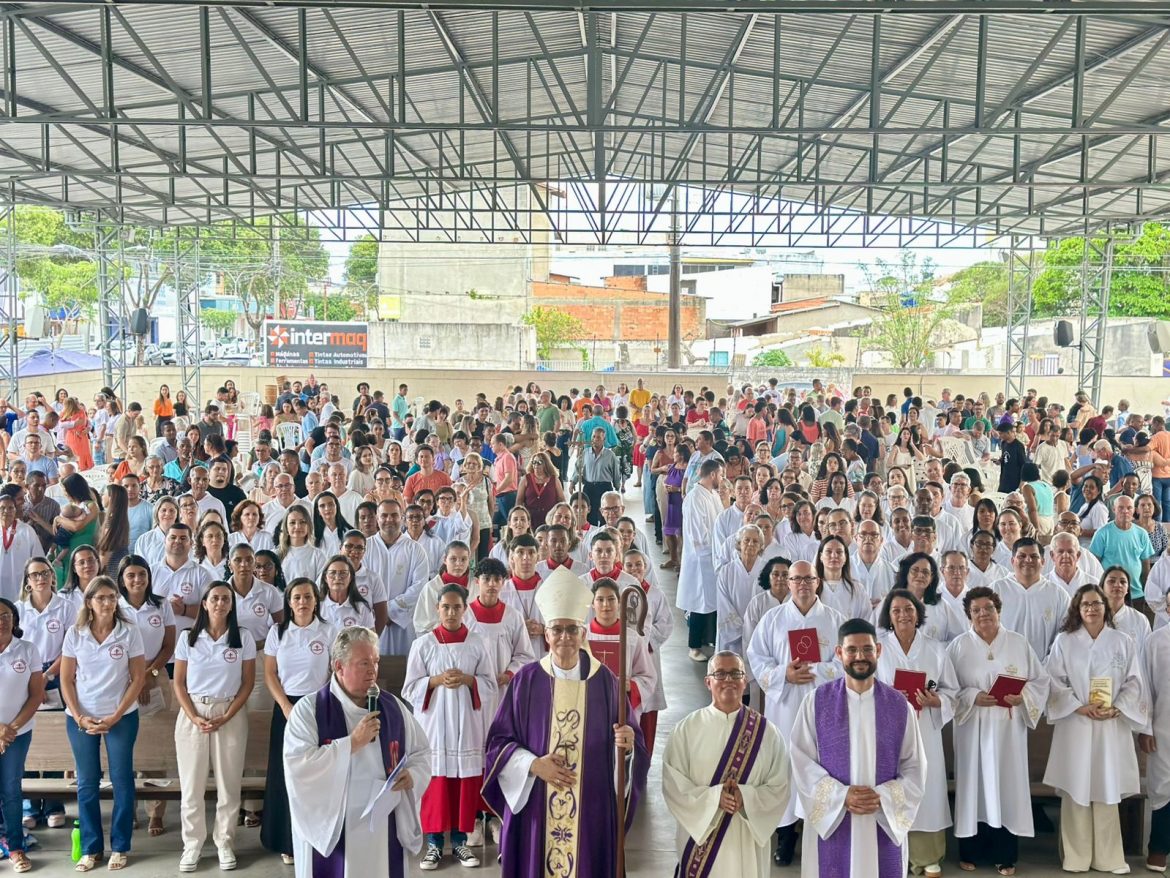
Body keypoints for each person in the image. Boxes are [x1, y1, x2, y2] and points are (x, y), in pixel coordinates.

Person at [482, 566, 647, 877]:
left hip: (591, 805)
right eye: (557, 629)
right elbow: (498, 743)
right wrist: (533, 765)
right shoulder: (526, 681)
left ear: (583, 634)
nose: (565, 638)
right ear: (546, 635)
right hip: (537, 803)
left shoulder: (606, 682)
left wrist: (626, 748)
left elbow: (633, 743)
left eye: (572, 629)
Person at [284, 626, 432, 878]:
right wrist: (351, 744)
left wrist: (413, 775)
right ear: (338, 667)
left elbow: (422, 753)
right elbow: (299, 766)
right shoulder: (308, 710)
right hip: (336, 825)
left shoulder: (393, 707)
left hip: (383, 825)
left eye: (375, 661)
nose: (373, 670)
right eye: (364, 663)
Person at [788, 618, 927, 875]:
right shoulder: (816, 702)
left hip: (881, 818)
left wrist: (882, 797)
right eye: (851, 650)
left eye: (867, 649)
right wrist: (841, 796)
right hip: (835, 817)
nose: (859, 656)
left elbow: (914, 764)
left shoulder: (899, 706)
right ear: (839, 653)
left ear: (879, 651)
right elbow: (800, 758)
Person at [744, 559, 845, 865]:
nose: (802, 585)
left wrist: (816, 671)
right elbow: (756, 657)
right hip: (785, 706)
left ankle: (821, 832)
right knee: (786, 768)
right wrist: (783, 675)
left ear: (818, 582)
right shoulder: (773, 619)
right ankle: (786, 834)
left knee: (822, 767)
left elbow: (847, 661)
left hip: (823, 709)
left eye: (808, 579)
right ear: (787, 583)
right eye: (796, 579)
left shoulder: (835, 619)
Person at [947, 587, 1050, 874]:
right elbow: (946, 687)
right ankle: (971, 851)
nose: (983, 614)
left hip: (1007, 730)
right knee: (974, 787)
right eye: (977, 610)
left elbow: (1040, 682)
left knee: (1005, 787)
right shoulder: (958, 646)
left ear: (999, 610)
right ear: (968, 614)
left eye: (989, 608)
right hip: (972, 730)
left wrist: (1023, 697)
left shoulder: (1017, 643)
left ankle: (1005, 854)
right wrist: (972, 696)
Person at [1043, 583, 1145, 873]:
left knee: (1106, 787)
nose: (1091, 608)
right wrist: (1078, 705)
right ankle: (1076, 857)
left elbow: (1135, 682)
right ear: (1077, 607)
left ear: (1105, 607)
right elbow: (1054, 681)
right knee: (1077, 788)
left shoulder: (1122, 641)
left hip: (1110, 727)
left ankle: (1109, 858)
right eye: (1085, 604)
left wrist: (1118, 706)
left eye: (1096, 603)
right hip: (1076, 723)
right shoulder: (1064, 641)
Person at [662, 651, 791, 878]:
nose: (728, 680)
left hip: (747, 843)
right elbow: (674, 786)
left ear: (744, 681)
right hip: (700, 842)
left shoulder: (767, 733)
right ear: (708, 682)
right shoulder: (685, 730)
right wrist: (714, 800)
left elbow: (780, 786)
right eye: (720, 674)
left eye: (735, 674)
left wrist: (746, 798)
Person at [402, 584, 496, 869]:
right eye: (446, 607)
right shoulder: (424, 644)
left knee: (461, 785)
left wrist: (469, 680)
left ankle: (459, 843)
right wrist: (435, 680)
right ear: (437, 609)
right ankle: (433, 845)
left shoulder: (478, 643)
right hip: (435, 726)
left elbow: (490, 684)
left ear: (465, 609)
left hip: (466, 725)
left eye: (457, 607)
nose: (451, 612)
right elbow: (409, 689)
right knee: (436, 784)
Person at [59, 576, 147, 873]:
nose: (108, 603)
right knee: (86, 783)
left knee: (122, 781)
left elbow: (138, 679)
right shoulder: (75, 633)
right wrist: (80, 715)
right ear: (89, 602)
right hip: (81, 718)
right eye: (101, 598)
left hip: (120, 717)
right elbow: (66, 679)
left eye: (112, 597)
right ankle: (91, 848)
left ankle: (120, 846)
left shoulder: (129, 632)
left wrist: (116, 715)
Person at [875, 589, 960, 878]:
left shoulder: (936, 649)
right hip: (890, 732)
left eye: (908, 609)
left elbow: (952, 692)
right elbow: (866, 689)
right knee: (895, 787)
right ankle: (895, 853)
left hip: (925, 730)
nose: (903, 615)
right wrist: (889, 698)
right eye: (896, 610)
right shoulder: (878, 649)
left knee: (927, 786)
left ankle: (928, 855)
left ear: (918, 614)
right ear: (888, 615)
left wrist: (936, 700)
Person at [173, 581, 256, 872]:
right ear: (205, 603)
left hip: (229, 713)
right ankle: (192, 845)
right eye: (214, 598)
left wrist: (228, 714)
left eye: (225, 599)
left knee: (229, 784)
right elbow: (179, 683)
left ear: (231, 605)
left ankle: (224, 842)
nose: (220, 603)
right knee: (191, 785)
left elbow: (247, 683)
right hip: (193, 712)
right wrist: (194, 715)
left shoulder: (242, 637)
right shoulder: (188, 637)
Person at [261, 578, 338, 865]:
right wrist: (285, 705)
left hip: (320, 706)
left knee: (318, 774)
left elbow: (336, 670)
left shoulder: (329, 630)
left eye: (308, 597)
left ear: (316, 600)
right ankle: (287, 840)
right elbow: (270, 673)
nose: (303, 602)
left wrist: (324, 703)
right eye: (297, 597)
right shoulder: (277, 632)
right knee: (286, 775)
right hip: (286, 709)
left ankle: (319, 836)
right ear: (289, 601)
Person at [0, 597, 46, 874]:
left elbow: (35, 695)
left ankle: (16, 847)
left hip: (18, 733)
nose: (1, 620)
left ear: (14, 619)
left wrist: (10, 729)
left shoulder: (27, 650)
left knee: (11, 790)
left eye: (6, 614)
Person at [677, 459, 725, 662]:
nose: (722, 479)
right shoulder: (695, 498)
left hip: (715, 557)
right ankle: (694, 646)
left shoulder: (713, 495)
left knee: (711, 603)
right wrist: (715, 551)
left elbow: (721, 523)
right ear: (713, 474)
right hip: (701, 560)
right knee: (699, 603)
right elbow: (698, 535)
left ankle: (708, 639)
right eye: (721, 475)